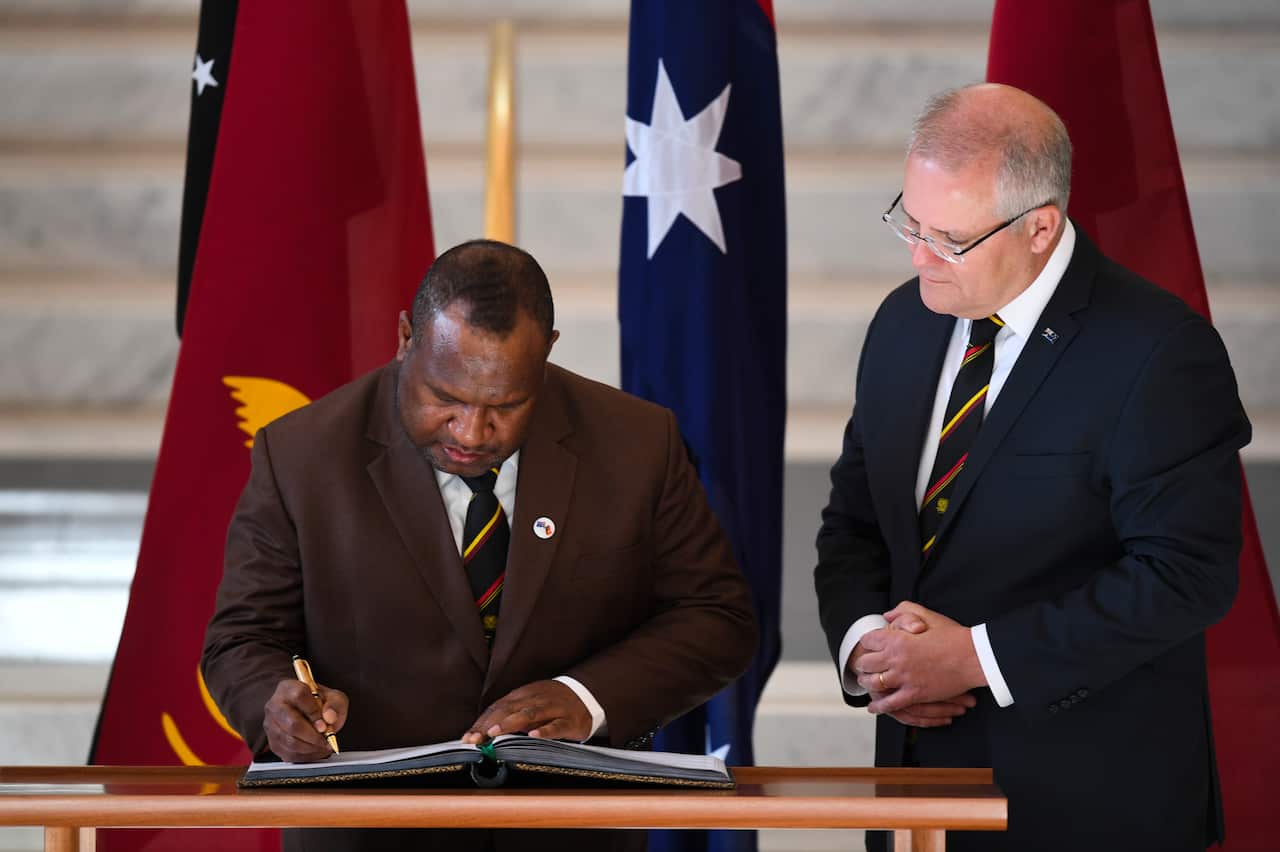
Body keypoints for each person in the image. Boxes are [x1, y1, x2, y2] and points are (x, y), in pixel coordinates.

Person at [202, 238, 758, 852]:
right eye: (445, 399)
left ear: (546, 355)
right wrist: (277, 708)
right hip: (369, 835)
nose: (470, 432)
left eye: (505, 405)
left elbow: (717, 619)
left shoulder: (638, 443)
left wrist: (585, 698)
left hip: (570, 836)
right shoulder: (302, 455)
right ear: (406, 338)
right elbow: (241, 639)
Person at [814, 83, 1250, 852]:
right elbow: (854, 521)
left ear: (1040, 227)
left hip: (1092, 804)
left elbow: (1188, 574)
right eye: (907, 222)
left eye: (946, 237)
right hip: (920, 797)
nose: (918, 256)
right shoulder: (902, 322)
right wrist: (869, 653)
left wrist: (975, 658)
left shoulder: (1158, 351)